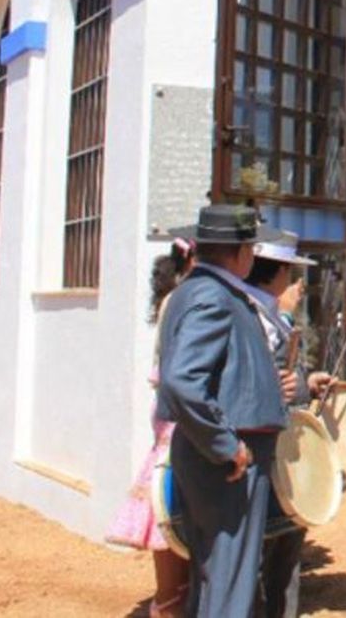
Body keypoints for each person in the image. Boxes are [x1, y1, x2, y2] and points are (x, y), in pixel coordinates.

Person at [158, 205, 290, 618]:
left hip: (213, 455)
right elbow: (182, 380)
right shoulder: (213, 297)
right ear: (241, 253)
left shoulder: (196, 291)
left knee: (216, 579)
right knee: (231, 582)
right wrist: (225, 445)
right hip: (228, 461)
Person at [244, 231, 334, 618]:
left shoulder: (260, 312)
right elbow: (263, 381)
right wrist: (298, 386)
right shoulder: (256, 316)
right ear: (278, 272)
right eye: (292, 273)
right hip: (269, 451)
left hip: (273, 450)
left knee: (277, 549)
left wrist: (305, 382)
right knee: (272, 553)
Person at [107, 239, 196, 617]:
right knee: (171, 505)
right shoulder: (181, 301)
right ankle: (169, 599)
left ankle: (173, 595)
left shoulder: (175, 299)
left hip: (169, 410)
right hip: (177, 415)